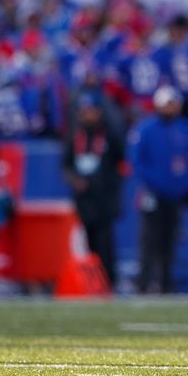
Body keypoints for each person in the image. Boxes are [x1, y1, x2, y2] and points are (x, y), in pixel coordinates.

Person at [128, 85, 188, 293]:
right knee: (149, 239)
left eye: (174, 103)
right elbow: (137, 162)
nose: (171, 107)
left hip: (175, 194)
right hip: (152, 193)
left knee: (170, 239)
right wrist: (156, 183)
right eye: (167, 103)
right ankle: (144, 282)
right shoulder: (145, 129)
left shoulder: (183, 127)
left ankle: (166, 283)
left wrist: (184, 184)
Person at [62, 90, 125, 285]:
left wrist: (111, 186)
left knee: (105, 243)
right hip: (84, 200)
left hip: (104, 199)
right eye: (85, 111)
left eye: (92, 111)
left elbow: (120, 162)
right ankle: (91, 283)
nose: (88, 115)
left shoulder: (109, 134)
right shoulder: (75, 135)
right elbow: (66, 164)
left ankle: (108, 281)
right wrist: (74, 179)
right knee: (87, 242)